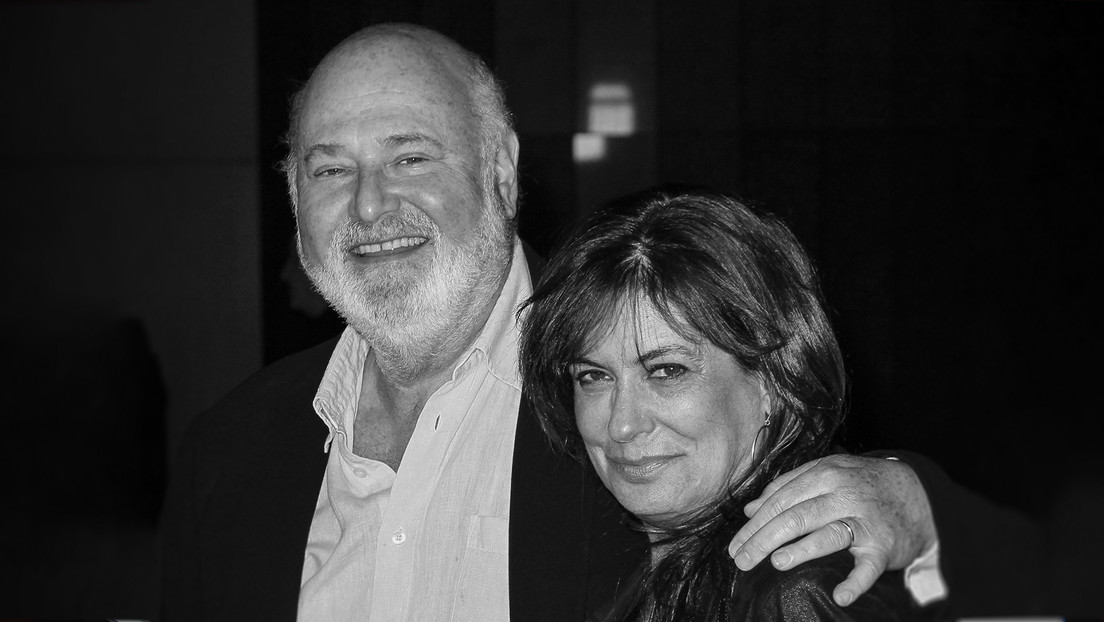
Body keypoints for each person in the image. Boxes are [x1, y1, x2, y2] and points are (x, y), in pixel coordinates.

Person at [161, 22, 1041, 622]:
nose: (368, 204)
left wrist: (921, 510)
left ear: (502, 171)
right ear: (294, 201)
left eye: (411, 156)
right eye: (328, 170)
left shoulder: (635, 425)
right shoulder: (222, 453)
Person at [519, 185, 927, 621]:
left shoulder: (796, 588)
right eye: (594, 376)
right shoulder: (625, 561)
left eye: (667, 371)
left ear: (773, 381)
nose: (621, 425)